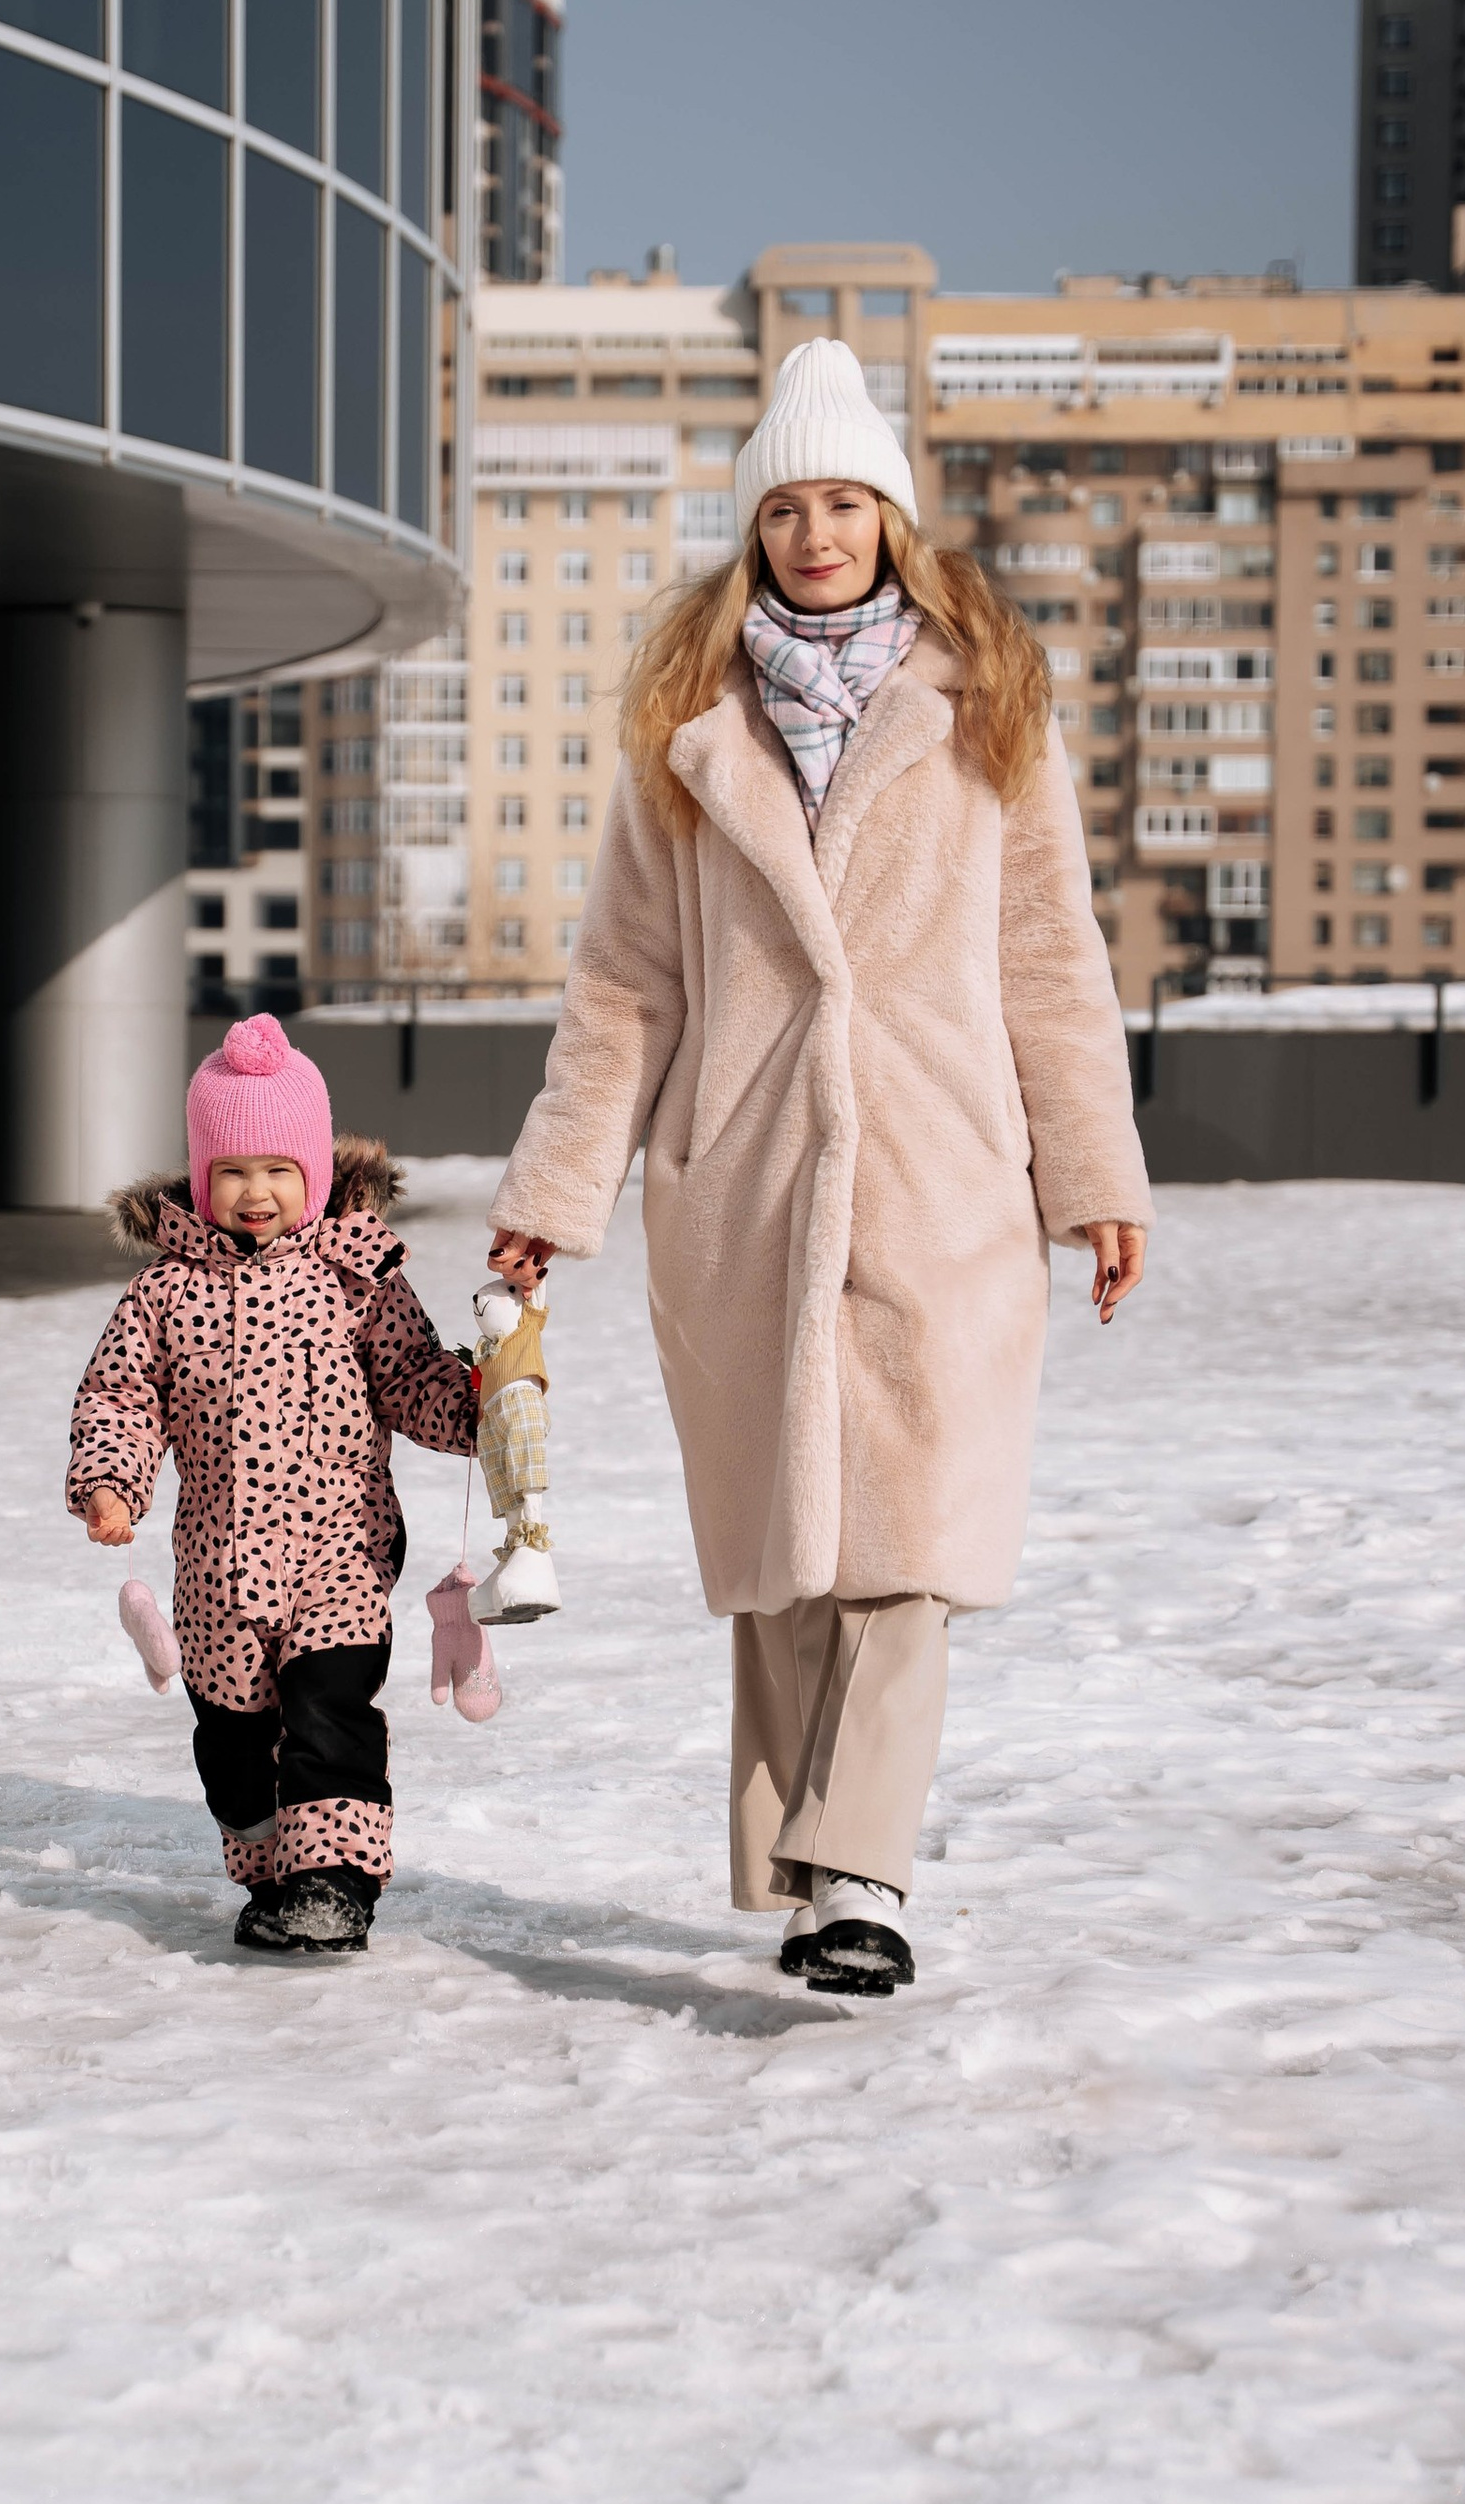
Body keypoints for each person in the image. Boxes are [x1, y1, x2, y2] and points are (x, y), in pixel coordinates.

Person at [484, 338, 1152, 1999]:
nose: (816, 532)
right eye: (786, 505)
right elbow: (625, 988)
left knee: (909, 1537)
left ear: (894, 519)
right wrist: (552, 1201)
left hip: (940, 1171)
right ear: (754, 528)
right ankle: (803, 1867)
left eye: (845, 501)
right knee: (787, 1549)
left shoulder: (986, 707)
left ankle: (862, 1871)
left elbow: (1054, 957)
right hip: (747, 1181)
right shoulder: (686, 734)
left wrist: (1097, 1177)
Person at [68, 1014, 478, 1956]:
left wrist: (482, 1410)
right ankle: (266, 1861)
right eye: (233, 1172)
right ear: (203, 1177)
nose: (257, 1193)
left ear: (316, 1175)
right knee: (236, 1743)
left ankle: (333, 1884)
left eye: (279, 1170)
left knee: (330, 1712)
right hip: (218, 1569)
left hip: (340, 1545)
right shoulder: (165, 1291)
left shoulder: (358, 1278)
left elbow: (412, 1376)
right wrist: (111, 1481)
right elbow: (122, 1396)